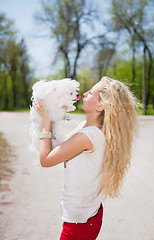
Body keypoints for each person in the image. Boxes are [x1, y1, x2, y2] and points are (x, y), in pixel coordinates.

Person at [32, 76, 138, 240]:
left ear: (101, 105)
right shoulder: (87, 128)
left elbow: (46, 159)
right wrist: (53, 110)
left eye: (90, 92)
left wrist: (46, 120)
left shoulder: (87, 136)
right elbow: (59, 148)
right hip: (87, 216)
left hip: (79, 222)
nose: (85, 93)